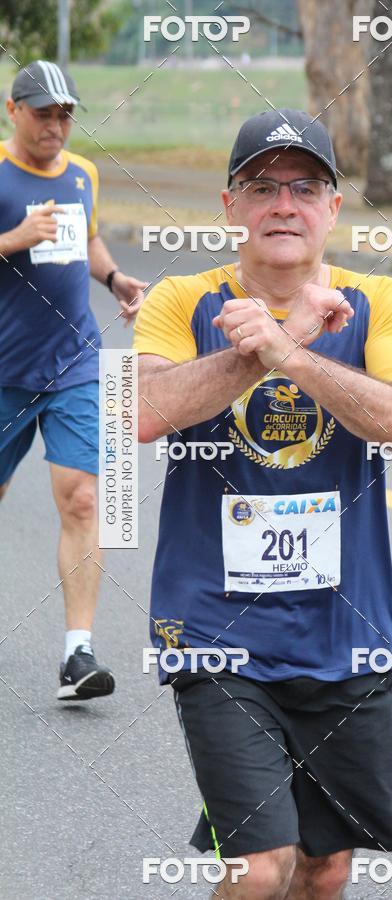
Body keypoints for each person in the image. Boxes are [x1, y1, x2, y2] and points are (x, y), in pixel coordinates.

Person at [134, 108, 392, 899]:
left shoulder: (378, 303)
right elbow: (135, 414)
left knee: (325, 866)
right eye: (261, 186)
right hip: (215, 632)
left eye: (306, 186)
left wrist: (290, 352)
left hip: (346, 633)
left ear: (333, 208)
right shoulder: (184, 299)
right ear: (229, 205)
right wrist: (253, 352)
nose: (283, 204)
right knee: (259, 863)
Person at [0, 60, 148, 700]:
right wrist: (14, 237)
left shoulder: (84, 173)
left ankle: (77, 654)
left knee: (84, 499)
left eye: (65, 113)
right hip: (4, 370)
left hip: (73, 363)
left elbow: (86, 242)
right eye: (43, 112)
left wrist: (114, 278)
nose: (56, 125)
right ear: (14, 111)